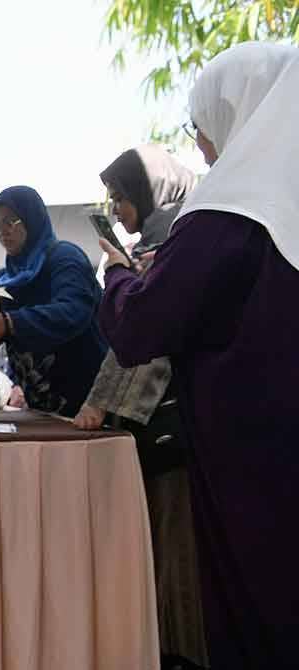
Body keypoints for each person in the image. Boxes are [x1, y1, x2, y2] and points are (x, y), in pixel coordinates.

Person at [97, 42, 299, 669]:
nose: (205, 149)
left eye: (204, 128)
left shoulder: (227, 212)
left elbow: (141, 327)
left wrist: (117, 278)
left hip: (254, 469)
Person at [75, 146, 207, 669]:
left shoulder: (185, 244)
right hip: (158, 435)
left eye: (123, 198)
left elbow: (146, 344)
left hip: (180, 434)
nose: (118, 209)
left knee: (179, 561)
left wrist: (121, 278)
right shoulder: (156, 248)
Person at [0, 185, 107, 417]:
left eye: (10, 221)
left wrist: (8, 322)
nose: (2, 231)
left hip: (88, 406)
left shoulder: (64, 257)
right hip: (43, 409)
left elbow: (74, 311)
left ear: (32, 218)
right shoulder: (5, 279)